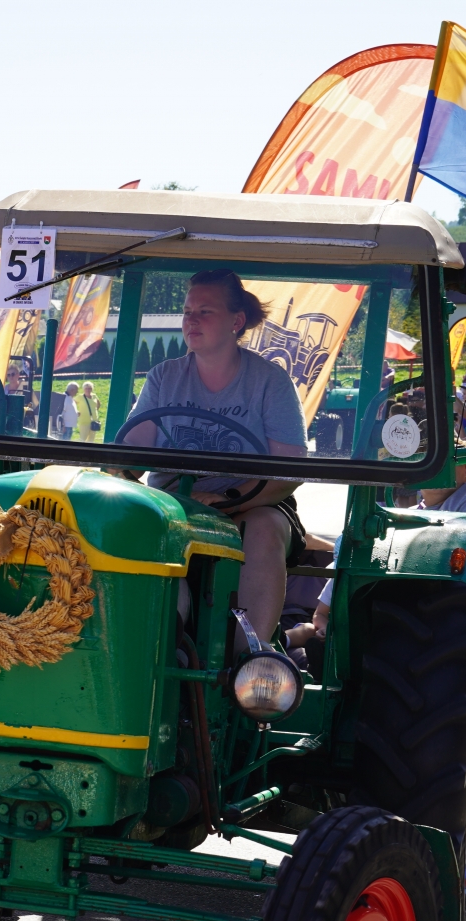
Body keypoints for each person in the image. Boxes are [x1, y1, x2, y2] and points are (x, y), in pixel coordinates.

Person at [120, 269, 308, 643]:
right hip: (174, 505)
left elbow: (289, 472)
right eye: (187, 311)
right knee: (131, 523)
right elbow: (130, 456)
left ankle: (249, 656)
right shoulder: (164, 377)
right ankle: (151, 644)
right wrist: (120, 473)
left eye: (204, 311)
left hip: (252, 504)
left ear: (236, 322)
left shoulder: (269, 381)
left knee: (263, 528)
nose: (191, 320)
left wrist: (229, 498)